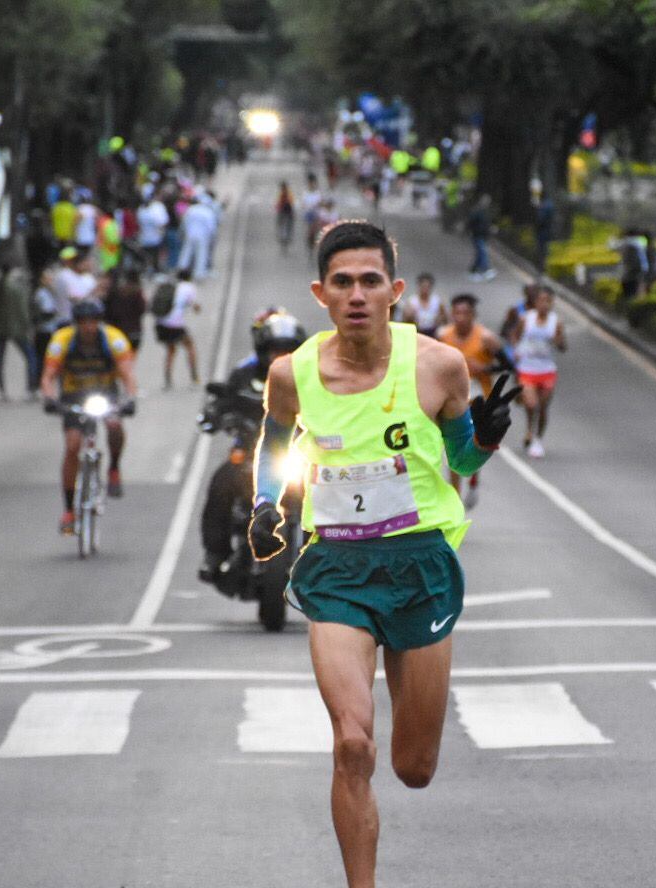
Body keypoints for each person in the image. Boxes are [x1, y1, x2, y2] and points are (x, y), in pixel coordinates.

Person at [250, 221, 516, 888]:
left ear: (394, 290)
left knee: (413, 767)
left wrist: (482, 441)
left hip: (420, 564)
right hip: (336, 568)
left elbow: (459, 456)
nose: (358, 294)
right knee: (351, 743)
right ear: (321, 293)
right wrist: (267, 505)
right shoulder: (292, 374)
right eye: (343, 282)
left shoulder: (438, 366)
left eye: (371, 280)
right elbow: (274, 445)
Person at [198, 309, 307, 585]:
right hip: (247, 455)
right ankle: (215, 554)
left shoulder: (309, 376)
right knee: (221, 483)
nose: (280, 356)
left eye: (287, 350)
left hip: (295, 456)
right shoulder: (243, 374)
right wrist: (215, 415)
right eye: (274, 350)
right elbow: (222, 403)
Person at [41, 300, 138, 532]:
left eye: (93, 322)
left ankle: (114, 468)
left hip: (105, 392)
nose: (89, 327)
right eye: (84, 322)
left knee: (114, 425)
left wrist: (131, 398)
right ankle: (68, 510)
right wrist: (49, 398)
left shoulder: (114, 339)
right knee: (73, 446)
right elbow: (48, 376)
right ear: (76, 324)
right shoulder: (61, 341)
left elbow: (127, 374)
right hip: (74, 394)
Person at [437, 293, 510, 508]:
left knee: (473, 443)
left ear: (473, 315)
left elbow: (508, 365)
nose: (461, 317)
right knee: (453, 448)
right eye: (457, 313)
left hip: (479, 400)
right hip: (452, 399)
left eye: (465, 313)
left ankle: (474, 478)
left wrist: (484, 369)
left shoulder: (486, 338)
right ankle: (456, 499)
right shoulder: (443, 336)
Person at [512, 285, 566, 458]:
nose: (544, 304)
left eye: (548, 301)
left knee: (543, 408)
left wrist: (558, 340)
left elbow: (563, 346)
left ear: (552, 303)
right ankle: (529, 428)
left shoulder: (555, 322)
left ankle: (538, 439)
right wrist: (516, 351)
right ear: (535, 302)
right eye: (541, 300)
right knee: (531, 404)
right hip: (527, 368)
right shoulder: (525, 319)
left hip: (546, 369)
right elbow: (515, 336)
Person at [0, 256, 38, 401]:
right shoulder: (18, 286)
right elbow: (24, 310)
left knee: (0, 359)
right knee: (30, 357)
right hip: (17, 329)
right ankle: (30, 389)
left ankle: (2, 390)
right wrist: (28, 327)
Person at [157, 269, 201, 389]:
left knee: (171, 350)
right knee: (190, 347)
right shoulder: (189, 287)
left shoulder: (172, 285)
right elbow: (196, 307)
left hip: (161, 323)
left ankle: (167, 379)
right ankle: (194, 377)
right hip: (176, 324)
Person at [105, 266, 148, 352]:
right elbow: (142, 309)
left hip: (116, 332)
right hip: (134, 332)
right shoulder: (137, 292)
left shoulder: (113, 293)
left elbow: (109, 312)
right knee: (129, 360)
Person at [179, 195, 219, 280]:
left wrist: (183, 232)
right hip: (202, 236)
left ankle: (182, 269)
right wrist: (212, 237)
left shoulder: (191, 209)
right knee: (201, 254)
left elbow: (185, 222)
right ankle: (199, 273)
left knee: (187, 252)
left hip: (190, 234)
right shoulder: (208, 212)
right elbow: (211, 227)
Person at [466, 194, 495, 281]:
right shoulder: (477, 211)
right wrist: (469, 231)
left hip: (483, 235)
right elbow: (471, 222)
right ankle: (486, 270)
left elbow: (486, 224)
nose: (486, 203)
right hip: (477, 235)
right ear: (481, 201)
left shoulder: (485, 212)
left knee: (479, 254)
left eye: (487, 201)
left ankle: (473, 271)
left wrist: (490, 229)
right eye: (485, 201)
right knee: (483, 252)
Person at [276, 181, 296, 254]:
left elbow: (291, 203)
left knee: (287, 228)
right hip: (283, 213)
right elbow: (278, 205)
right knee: (283, 228)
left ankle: (285, 240)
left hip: (287, 213)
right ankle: (284, 240)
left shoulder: (287, 194)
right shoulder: (282, 194)